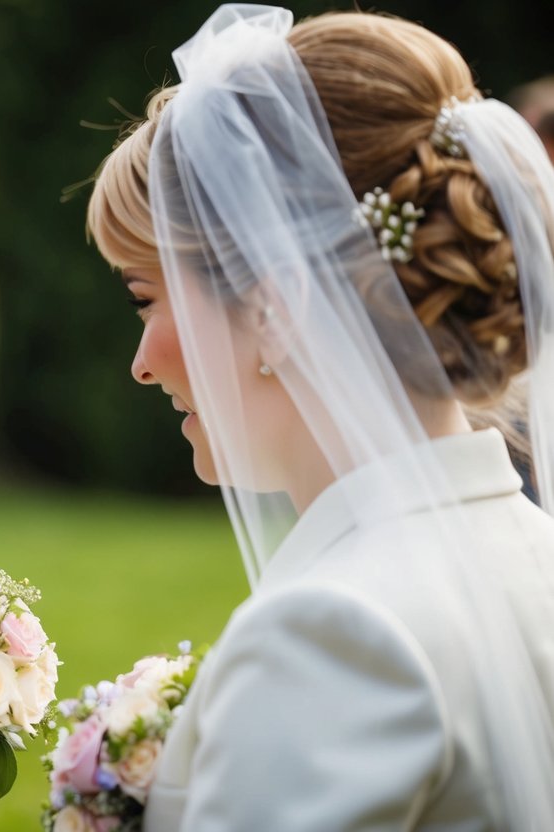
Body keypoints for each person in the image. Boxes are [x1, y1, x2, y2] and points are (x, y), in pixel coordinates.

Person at [87, 5, 554, 829]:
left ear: (275, 309)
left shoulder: (333, 632)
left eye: (145, 298)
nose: (141, 362)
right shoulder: (534, 549)